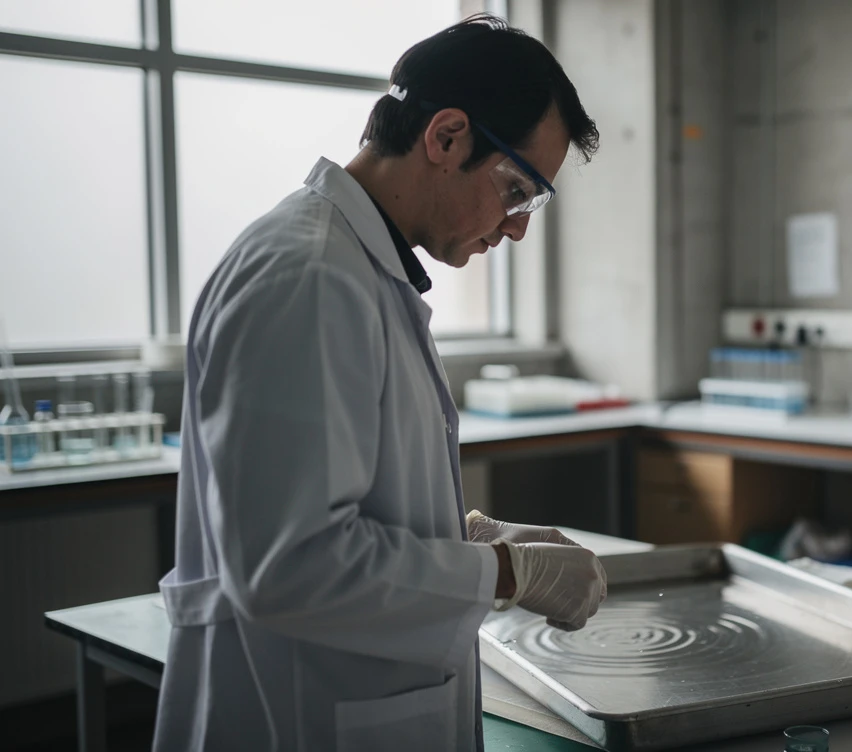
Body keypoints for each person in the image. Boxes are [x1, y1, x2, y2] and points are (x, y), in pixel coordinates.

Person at [153, 16, 605, 752]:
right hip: (294, 716)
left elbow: (324, 498)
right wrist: (502, 572)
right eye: (517, 190)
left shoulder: (360, 270)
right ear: (448, 136)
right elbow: (289, 567)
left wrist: (465, 537)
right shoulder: (307, 276)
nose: (518, 228)